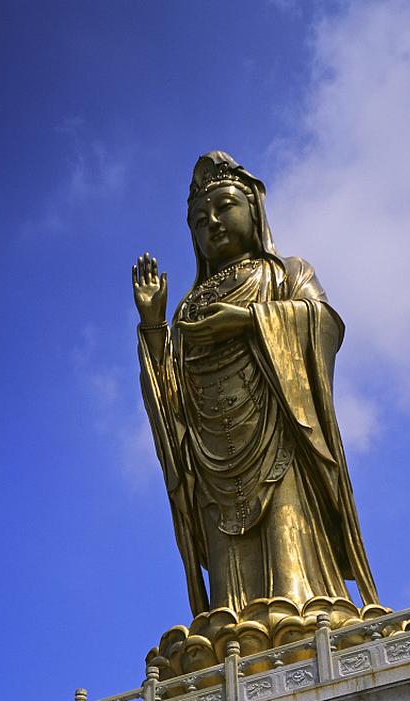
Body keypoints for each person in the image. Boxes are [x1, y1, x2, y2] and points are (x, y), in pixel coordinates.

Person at [133, 151, 380, 619]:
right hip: (212, 461)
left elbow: (323, 325)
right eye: (200, 220)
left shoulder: (285, 273)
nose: (214, 224)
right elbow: (172, 404)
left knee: (293, 573)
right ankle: (232, 620)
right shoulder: (189, 308)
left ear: (253, 209)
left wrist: (250, 322)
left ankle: (307, 607)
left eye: (224, 207)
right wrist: (153, 326)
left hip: (279, 434)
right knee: (230, 600)